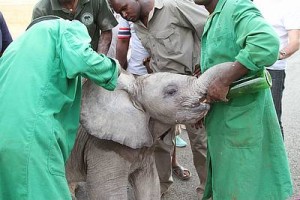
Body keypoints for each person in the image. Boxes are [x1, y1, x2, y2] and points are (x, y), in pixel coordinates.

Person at [0, 16, 119, 200]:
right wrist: (114, 69)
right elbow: (84, 58)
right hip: (33, 138)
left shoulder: (16, 47)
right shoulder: (64, 28)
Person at [193, 0, 293, 199]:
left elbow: (266, 43)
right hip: (224, 121)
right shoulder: (214, 16)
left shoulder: (236, 6)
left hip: (242, 120)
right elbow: (225, 57)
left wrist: (225, 79)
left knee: (246, 185)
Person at [110, 0, 209, 197]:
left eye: (123, 8)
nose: (123, 15)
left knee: (200, 142)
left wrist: (205, 61)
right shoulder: (137, 23)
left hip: (190, 89)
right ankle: (160, 186)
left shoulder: (173, 7)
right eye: (118, 12)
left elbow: (210, 27)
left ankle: (208, 190)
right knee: (160, 143)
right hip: (161, 96)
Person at [116, 16, 191, 182]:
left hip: (164, 75)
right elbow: (123, 41)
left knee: (167, 129)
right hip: (137, 76)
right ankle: (144, 174)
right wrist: (119, 74)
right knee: (140, 129)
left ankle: (170, 168)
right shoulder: (127, 9)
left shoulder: (164, 8)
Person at [254, 0, 300, 138]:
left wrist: (277, 56)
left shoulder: (291, 4)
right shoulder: (255, 2)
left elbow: (295, 42)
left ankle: (278, 159)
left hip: (273, 70)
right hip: (248, 66)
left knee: (271, 119)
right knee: (251, 118)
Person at [32, 0, 118, 54]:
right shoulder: (41, 9)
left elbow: (106, 30)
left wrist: (99, 59)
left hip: (90, 60)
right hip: (59, 66)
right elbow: (39, 45)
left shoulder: (96, 1)